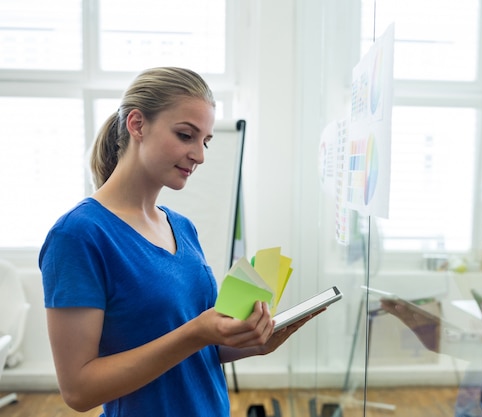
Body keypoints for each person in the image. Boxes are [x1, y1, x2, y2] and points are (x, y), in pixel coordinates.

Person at [39, 67, 316, 416]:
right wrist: (197, 332)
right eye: (186, 136)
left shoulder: (182, 227)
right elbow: (79, 390)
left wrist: (255, 341)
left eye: (205, 141)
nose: (199, 155)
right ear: (137, 124)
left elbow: (202, 349)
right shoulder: (78, 235)